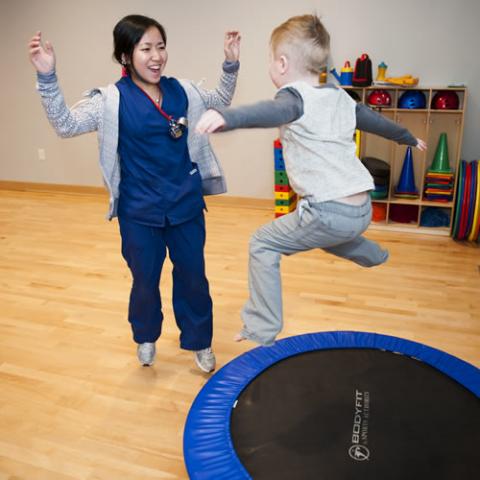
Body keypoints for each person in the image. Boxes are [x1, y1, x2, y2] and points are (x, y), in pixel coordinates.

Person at [196, 14, 426, 347]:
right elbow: (376, 122)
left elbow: (265, 113)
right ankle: (372, 254)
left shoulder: (294, 99)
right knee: (324, 234)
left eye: (271, 61)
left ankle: (261, 328)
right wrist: (406, 137)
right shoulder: (340, 97)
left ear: (283, 63)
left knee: (263, 243)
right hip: (362, 209)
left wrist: (226, 117)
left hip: (328, 210)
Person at [28, 15, 241, 371]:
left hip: (185, 204)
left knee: (193, 277)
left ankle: (199, 341)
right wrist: (47, 77)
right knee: (145, 281)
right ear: (126, 56)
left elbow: (219, 99)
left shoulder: (182, 91)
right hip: (139, 211)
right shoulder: (110, 101)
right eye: (146, 48)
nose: (156, 56)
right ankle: (145, 335)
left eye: (160, 46)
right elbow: (65, 125)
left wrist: (230, 63)